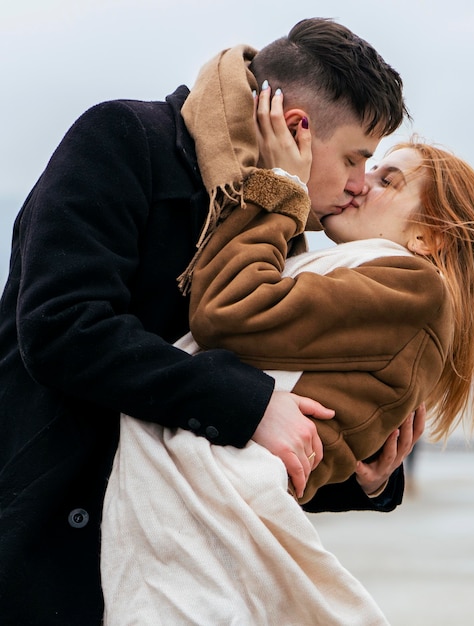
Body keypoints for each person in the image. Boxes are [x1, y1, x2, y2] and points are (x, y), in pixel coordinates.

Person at [0, 18, 419, 625]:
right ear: (297, 127)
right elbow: (61, 327)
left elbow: (214, 450)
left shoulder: (274, 224)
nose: (358, 186)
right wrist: (252, 405)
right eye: (356, 158)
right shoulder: (125, 138)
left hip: (174, 571)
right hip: (45, 546)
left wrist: (358, 475)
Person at [100, 92, 474, 624]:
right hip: (220, 511)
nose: (361, 183)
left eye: (388, 180)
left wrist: (279, 190)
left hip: (207, 506)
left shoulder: (412, 287)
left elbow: (229, 312)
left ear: (429, 235)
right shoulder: (370, 279)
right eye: (365, 166)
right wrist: (370, 482)